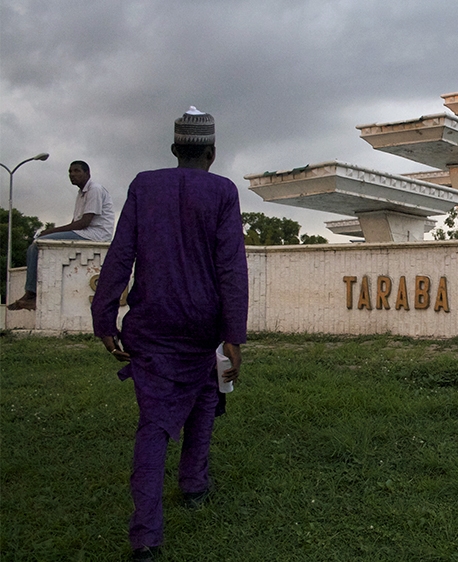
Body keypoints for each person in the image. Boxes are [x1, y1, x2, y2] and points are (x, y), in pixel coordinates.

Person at [91, 107, 248, 561]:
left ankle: (145, 536)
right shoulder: (223, 191)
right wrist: (234, 335)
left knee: (155, 425)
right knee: (203, 395)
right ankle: (194, 486)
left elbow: (120, 256)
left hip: (152, 324)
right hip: (203, 324)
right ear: (212, 153)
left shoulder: (144, 185)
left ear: (175, 149)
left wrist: (105, 319)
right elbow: (231, 269)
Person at [7, 160, 115, 310]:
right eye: (70, 172)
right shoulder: (81, 193)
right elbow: (75, 222)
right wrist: (55, 233)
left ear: (87, 173)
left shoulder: (94, 189)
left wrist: (51, 231)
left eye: (77, 171)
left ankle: (31, 295)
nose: (72, 175)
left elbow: (84, 222)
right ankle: (33, 292)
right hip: (84, 232)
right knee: (39, 243)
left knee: (36, 245)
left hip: (95, 234)